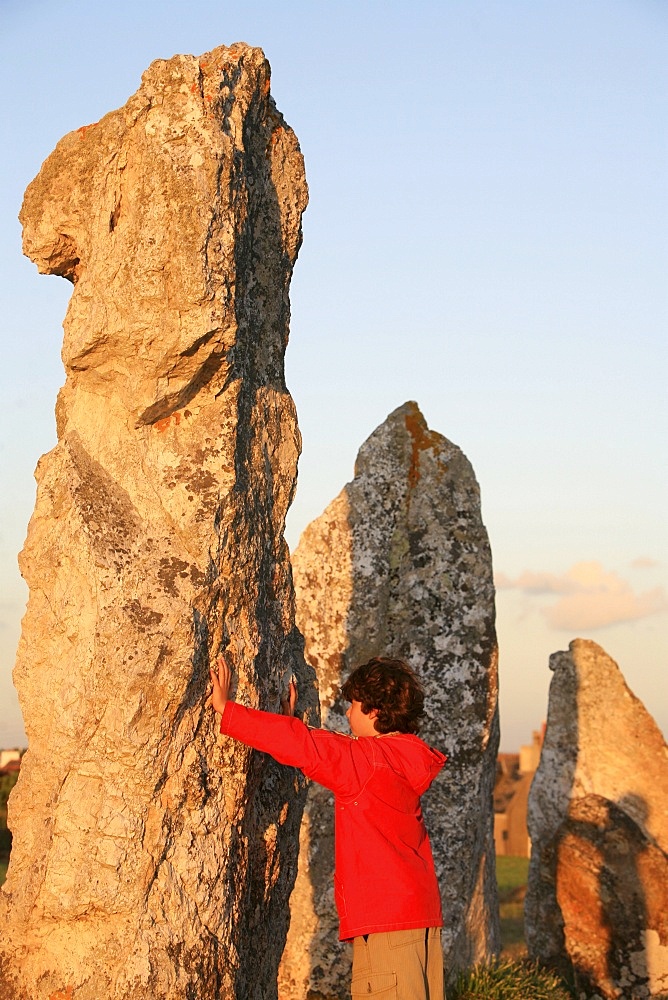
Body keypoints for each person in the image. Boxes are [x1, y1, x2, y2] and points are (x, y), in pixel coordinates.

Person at [209, 653, 446, 1000]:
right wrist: (289, 727)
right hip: (418, 917)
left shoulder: (368, 761)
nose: (348, 714)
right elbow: (326, 749)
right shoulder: (403, 757)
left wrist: (227, 709)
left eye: (353, 705)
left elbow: (313, 748)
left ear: (375, 711)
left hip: (386, 922)